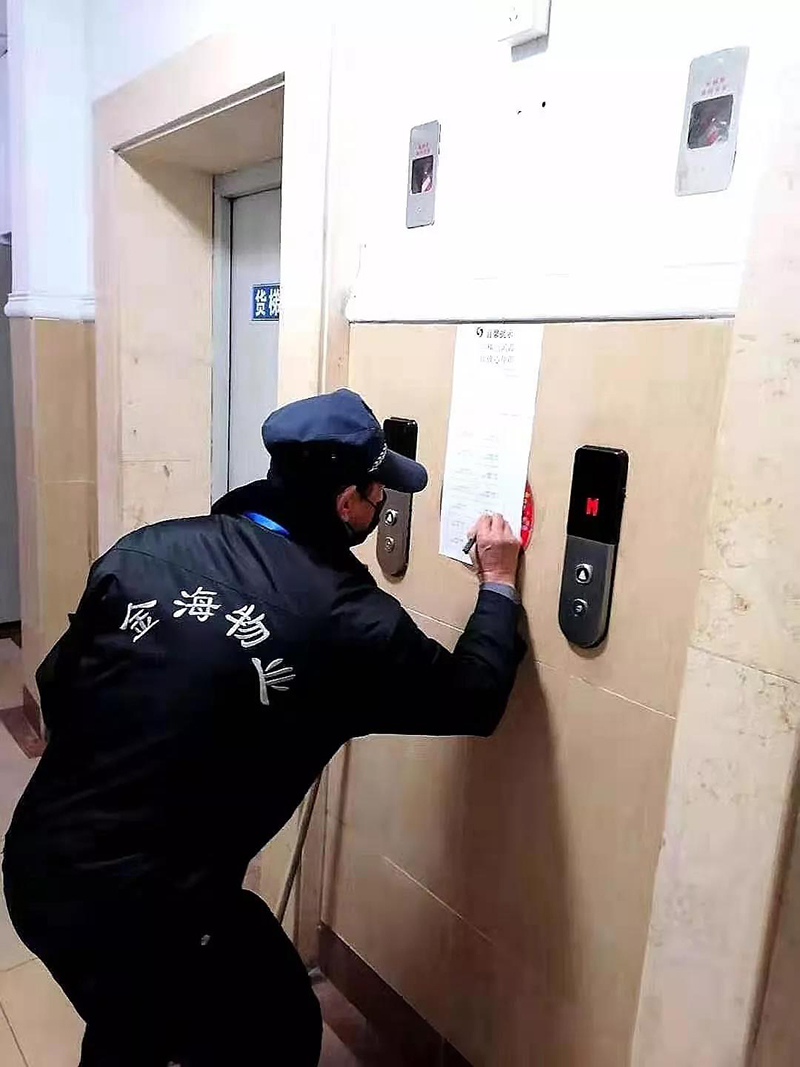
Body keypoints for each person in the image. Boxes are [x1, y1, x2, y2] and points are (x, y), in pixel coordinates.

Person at [3, 388, 524, 1067]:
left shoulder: (147, 549)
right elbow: (475, 698)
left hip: (37, 863)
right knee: (275, 1022)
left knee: (132, 1011)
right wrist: (499, 582)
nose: (382, 506)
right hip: (146, 905)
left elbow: (58, 686)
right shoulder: (350, 622)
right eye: (378, 494)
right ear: (347, 503)